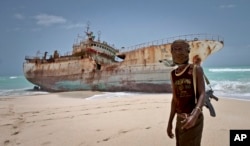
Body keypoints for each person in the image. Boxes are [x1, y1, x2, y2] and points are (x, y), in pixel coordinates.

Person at [166, 40, 205, 146]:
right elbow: (175, 99)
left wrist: (195, 115)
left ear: (188, 51)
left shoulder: (196, 69)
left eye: (180, 49)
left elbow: (202, 93)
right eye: (174, 49)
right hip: (180, 119)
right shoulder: (173, 74)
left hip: (193, 118)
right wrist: (170, 122)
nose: (177, 52)